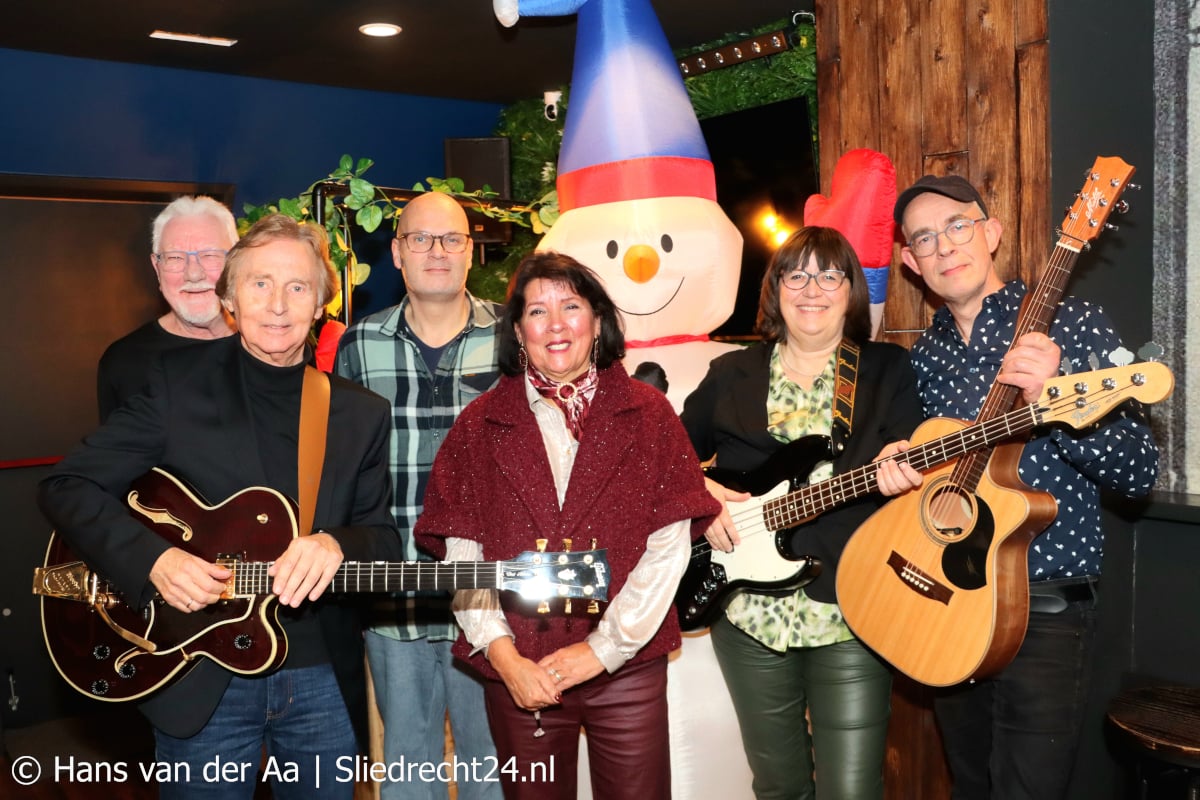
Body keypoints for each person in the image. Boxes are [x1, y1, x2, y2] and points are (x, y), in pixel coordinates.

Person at [39, 214, 403, 799]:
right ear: (230, 298)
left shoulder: (359, 414)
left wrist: (336, 543)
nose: (278, 304)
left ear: (320, 306)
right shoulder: (173, 388)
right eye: (260, 284)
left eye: (298, 287)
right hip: (200, 675)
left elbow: (382, 538)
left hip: (319, 681)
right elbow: (67, 486)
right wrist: (153, 561)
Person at [883, 174, 1159, 800]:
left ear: (993, 231)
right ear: (910, 262)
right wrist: (900, 468)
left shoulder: (1075, 323)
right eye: (924, 238)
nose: (944, 245)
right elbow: (924, 482)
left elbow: (1139, 470)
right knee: (971, 785)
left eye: (958, 224)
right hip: (952, 603)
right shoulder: (922, 358)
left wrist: (1053, 399)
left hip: (1047, 610)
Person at [413, 251, 720, 800]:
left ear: (598, 322)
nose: (555, 324)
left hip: (626, 670)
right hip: (518, 669)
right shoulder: (477, 427)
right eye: (537, 311)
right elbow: (463, 557)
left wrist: (602, 651)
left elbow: (667, 550)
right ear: (517, 331)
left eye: (571, 306)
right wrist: (503, 657)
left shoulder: (650, 416)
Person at [678, 226, 924, 800]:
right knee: (778, 786)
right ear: (777, 287)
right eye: (797, 274)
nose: (812, 288)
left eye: (830, 274)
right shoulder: (730, 371)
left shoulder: (886, 369)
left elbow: (912, 451)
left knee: (853, 789)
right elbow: (661, 456)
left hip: (850, 607)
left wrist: (905, 458)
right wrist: (698, 492)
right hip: (744, 612)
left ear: (850, 291)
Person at [334, 190, 502, 800]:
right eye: (421, 239)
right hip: (392, 595)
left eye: (452, 238)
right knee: (408, 768)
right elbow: (340, 471)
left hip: (490, 598)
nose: (437, 251)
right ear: (398, 254)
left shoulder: (514, 339)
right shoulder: (359, 345)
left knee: (493, 769)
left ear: (470, 252)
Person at [97, 195, 238, 421]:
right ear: (157, 267)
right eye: (175, 258)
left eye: (210, 255)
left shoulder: (272, 346)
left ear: (236, 261)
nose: (193, 274)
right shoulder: (124, 362)